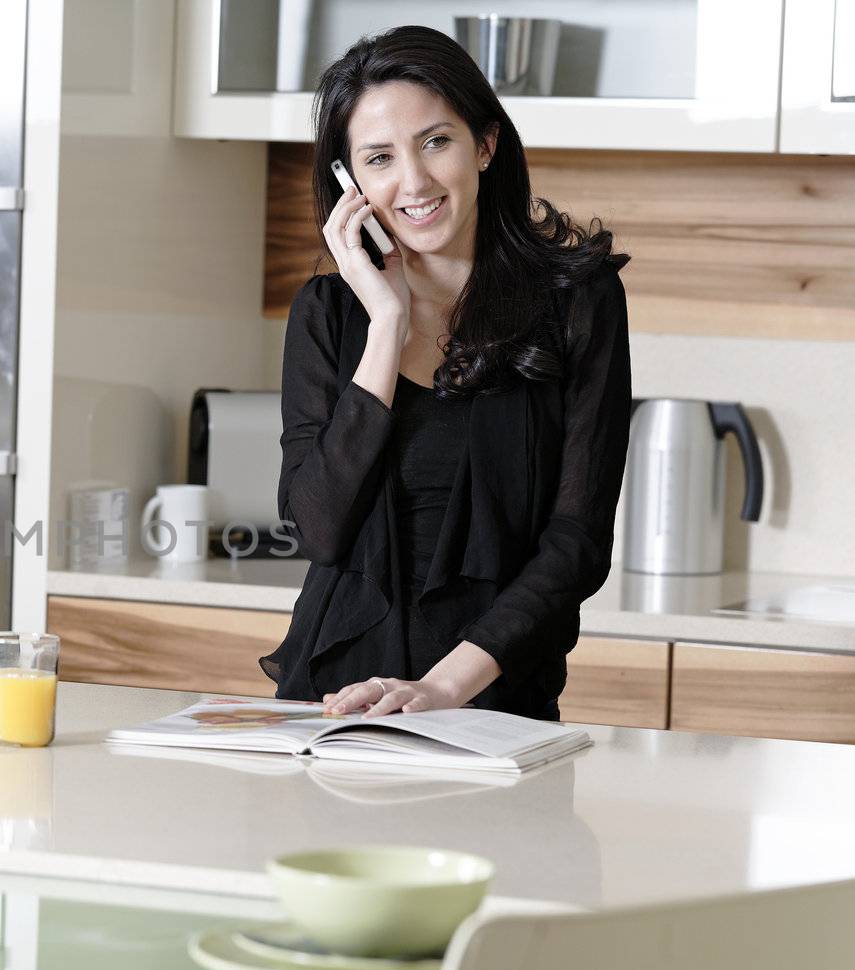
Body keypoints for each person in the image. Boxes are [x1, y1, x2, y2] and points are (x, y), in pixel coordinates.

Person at [259, 26, 631, 721]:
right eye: (378, 158)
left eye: (435, 141)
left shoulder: (579, 302)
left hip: (495, 706)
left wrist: (442, 687)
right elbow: (318, 530)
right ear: (352, 183)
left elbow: (577, 542)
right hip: (336, 706)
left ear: (485, 145)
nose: (415, 181)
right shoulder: (328, 315)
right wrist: (387, 324)